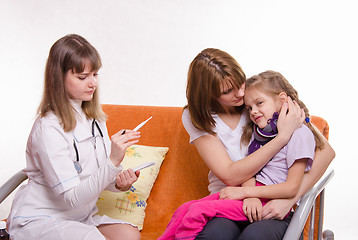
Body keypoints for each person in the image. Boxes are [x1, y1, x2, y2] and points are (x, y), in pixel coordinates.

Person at [168, 48, 334, 240]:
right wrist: (281, 138)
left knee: (255, 236)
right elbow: (230, 175)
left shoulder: (258, 101)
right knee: (214, 235)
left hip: (271, 199)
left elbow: (326, 152)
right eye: (228, 91)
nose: (240, 93)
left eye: (240, 82)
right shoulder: (197, 116)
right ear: (209, 95)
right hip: (228, 199)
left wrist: (290, 199)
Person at [7, 34, 141, 240]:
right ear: (58, 77)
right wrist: (113, 160)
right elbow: (72, 197)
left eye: (95, 74)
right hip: (41, 219)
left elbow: (95, 178)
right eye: (82, 77)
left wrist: (119, 184)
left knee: (129, 235)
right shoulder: (48, 128)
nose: (92, 83)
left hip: (80, 217)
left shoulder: (95, 119)